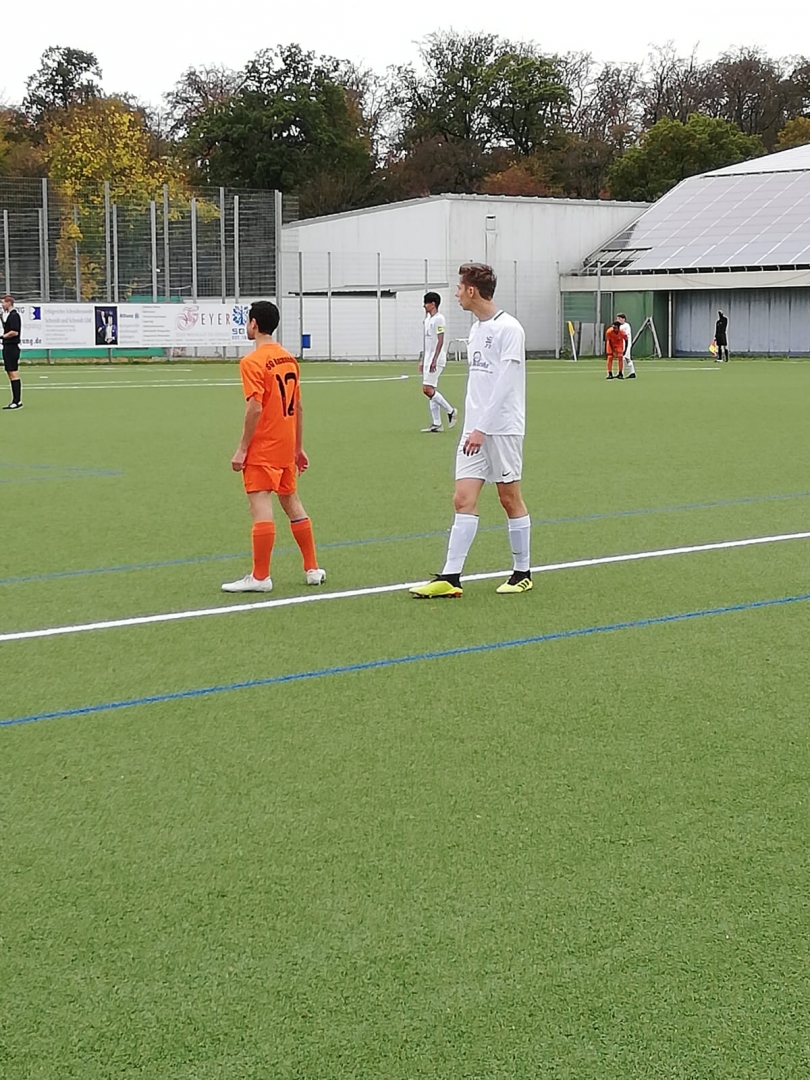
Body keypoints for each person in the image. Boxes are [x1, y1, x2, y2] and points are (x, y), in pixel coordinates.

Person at [410, 263, 532, 598]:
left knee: (509, 498)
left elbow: (505, 385)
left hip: (502, 429)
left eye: (459, 288)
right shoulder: (476, 330)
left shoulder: (509, 328)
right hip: (473, 431)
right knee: (462, 498)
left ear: (472, 290)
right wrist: (472, 427)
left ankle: (522, 572)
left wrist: (483, 428)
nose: (456, 294)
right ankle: (451, 578)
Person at [221, 300, 325, 594]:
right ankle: (312, 568)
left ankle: (260, 576)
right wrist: (298, 448)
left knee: (261, 506)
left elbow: (255, 407)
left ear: (254, 324)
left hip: (264, 446)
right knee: (292, 502)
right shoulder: (288, 359)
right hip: (285, 444)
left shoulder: (251, 362)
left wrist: (242, 449)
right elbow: (298, 406)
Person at [419, 292, 458, 432]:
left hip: (436, 358)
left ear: (433, 304)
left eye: (426, 303)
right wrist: (422, 360)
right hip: (428, 358)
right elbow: (426, 342)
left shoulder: (440, 319)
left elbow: (440, 340)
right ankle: (437, 424)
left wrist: (434, 359)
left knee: (427, 389)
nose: (424, 306)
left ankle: (451, 411)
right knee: (431, 390)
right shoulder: (427, 319)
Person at [2, 295, 22, 410]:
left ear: (9, 303)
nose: (2, 305)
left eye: (3, 303)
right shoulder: (10, 316)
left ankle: (17, 401)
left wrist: (3, 336)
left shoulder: (14, 315)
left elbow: (14, 332)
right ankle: (16, 400)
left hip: (12, 347)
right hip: (8, 347)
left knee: (13, 373)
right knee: (10, 373)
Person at [616, 313, 636, 378]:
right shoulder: (618, 326)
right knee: (627, 358)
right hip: (621, 344)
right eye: (617, 318)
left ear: (623, 319)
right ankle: (632, 373)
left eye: (619, 318)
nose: (618, 320)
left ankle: (621, 373)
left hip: (626, 344)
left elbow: (625, 335)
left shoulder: (626, 325)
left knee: (624, 358)